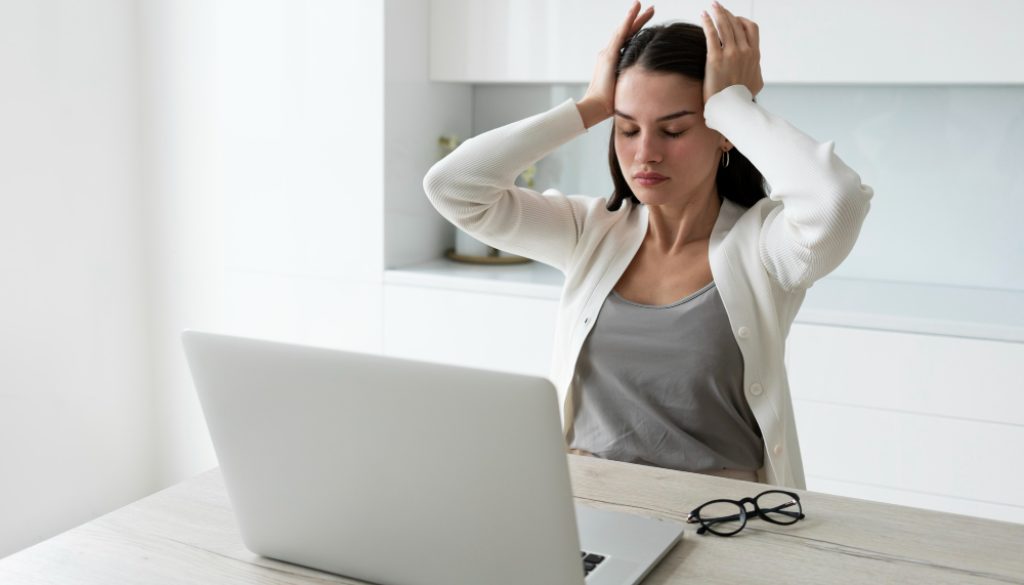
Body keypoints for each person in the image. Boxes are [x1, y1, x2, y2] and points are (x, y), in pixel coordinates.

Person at [422, 1, 873, 488]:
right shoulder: (590, 231)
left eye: (674, 129)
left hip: (720, 518)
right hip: (583, 508)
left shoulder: (764, 249)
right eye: (627, 128)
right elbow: (453, 187)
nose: (645, 153)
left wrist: (733, 106)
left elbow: (836, 201)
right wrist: (590, 106)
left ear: (724, 136)